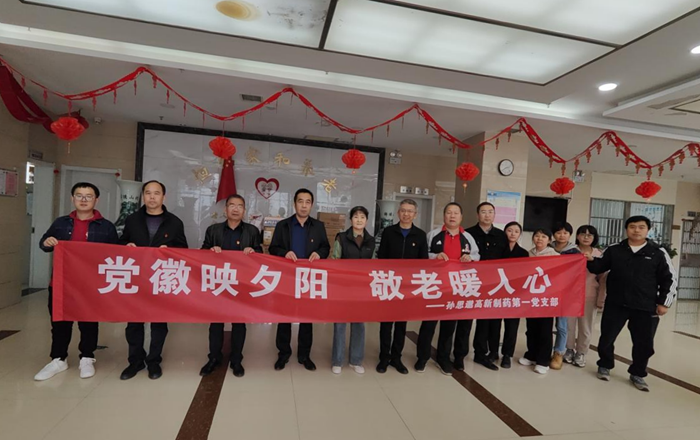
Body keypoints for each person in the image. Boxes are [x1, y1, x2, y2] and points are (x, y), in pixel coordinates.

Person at [34, 182, 118, 381]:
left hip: (91, 284)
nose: (83, 200)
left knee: (89, 322)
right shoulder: (61, 223)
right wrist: (47, 242)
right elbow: (44, 243)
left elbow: (116, 253)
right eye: (79, 195)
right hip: (61, 283)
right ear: (72, 199)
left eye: (88, 196)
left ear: (96, 200)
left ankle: (87, 357)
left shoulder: (106, 226)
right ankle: (58, 359)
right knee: (60, 322)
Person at [585, 215, 677, 391]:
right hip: (616, 303)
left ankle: (638, 373)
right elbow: (599, 267)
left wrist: (664, 303)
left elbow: (670, 279)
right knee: (607, 338)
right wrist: (590, 260)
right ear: (626, 229)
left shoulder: (658, 252)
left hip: (645, 305)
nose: (636, 230)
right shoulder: (614, 249)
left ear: (648, 230)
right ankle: (605, 365)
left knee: (644, 343)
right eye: (632, 226)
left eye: (641, 227)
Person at [119, 180, 188, 380]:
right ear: (143, 196)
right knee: (134, 323)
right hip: (136, 278)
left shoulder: (174, 222)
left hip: (161, 278)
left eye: (156, 193)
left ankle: (154, 361)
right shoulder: (132, 219)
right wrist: (127, 246)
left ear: (163, 197)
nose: (152, 197)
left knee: (159, 323)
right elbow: (121, 242)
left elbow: (184, 250)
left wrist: (171, 251)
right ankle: (135, 361)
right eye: (148, 193)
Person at [199, 194, 262, 378]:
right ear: (225, 209)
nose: (235, 209)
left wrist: (253, 252)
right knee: (216, 323)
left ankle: (236, 360)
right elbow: (202, 253)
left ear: (244, 210)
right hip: (219, 284)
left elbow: (260, 255)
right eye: (232, 205)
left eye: (240, 206)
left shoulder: (252, 231)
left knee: (239, 323)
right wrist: (211, 251)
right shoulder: (213, 230)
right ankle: (214, 358)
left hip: (241, 284)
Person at [269, 188, 330, 372]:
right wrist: (284, 253)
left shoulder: (318, 226)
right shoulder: (283, 225)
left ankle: (304, 355)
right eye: (300, 201)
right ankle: (283, 354)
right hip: (287, 278)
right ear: (294, 203)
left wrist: (319, 254)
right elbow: (273, 248)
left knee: (306, 318)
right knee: (284, 317)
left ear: (312, 205)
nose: (304, 205)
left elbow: (325, 247)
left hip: (308, 279)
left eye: (307, 202)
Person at [417, 202, 480, 375]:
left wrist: (470, 258)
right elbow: (423, 255)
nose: (452, 216)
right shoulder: (433, 235)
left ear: (461, 217)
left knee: (448, 326)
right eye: (449, 212)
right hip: (434, 286)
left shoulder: (468, 237)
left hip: (456, 287)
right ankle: (422, 358)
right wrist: (435, 256)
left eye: (456, 213)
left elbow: (477, 256)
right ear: (444, 215)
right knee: (428, 324)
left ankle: (443, 358)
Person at [376, 199, 429, 374]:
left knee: (401, 325)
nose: (406, 214)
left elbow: (423, 263)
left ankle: (396, 358)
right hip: (389, 284)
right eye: (403, 210)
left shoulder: (420, 235)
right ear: (398, 213)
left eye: (410, 211)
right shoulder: (388, 232)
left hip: (407, 288)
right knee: (386, 324)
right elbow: (381, 257)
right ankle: (384, 357)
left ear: (415, 214)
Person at [330, 206, 375, 375]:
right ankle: (337, 360)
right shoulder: (341, 238)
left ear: (367, 221)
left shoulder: (371, 241)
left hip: (362, 289)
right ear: (351, 220)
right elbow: (334, 260)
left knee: (359, 325)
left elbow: (374, 264)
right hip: (343, 288)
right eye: (356, 217)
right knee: (340, 324)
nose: (359, 220)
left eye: (362, 217)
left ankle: (356, 360)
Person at [466, 202, 509, 371]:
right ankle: (463, 352)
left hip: (494, 284)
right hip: (473, 282)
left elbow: (507, 260)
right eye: (483, 212)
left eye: (490, 212)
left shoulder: (500, 235)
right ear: (478, 215)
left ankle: (487, 353)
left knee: (489, 320)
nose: (487, 215)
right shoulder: (468, 233)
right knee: (468, 319)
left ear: (494, 215)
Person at [564, 225, 606, 368]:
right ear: (577, 236)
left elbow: (603, 279)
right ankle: (569, 349)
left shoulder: (599, 255)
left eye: (590, 235)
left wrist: (601, 299)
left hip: (590, 295)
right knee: (568, 325)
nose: (586, 237)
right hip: (569, 296)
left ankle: (581, 352)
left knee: (585, 326)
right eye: (583, 234)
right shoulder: (570, 251)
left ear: (594, 238)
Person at [519, 227, 559, 375]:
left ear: (549, 240)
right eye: (537, 236)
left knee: (545, 329)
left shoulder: (555, 255)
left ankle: (543, 360)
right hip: (531, 297)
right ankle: (532, 354)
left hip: (547, 298)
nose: (539, 239)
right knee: (531, 328)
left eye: (543, 236)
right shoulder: (529, 254)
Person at [494, 221, 529, 369]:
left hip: (515, 294)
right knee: (494, 324)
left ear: (520, 234)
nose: (513, 233)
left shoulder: (523, 253)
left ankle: (507, 354)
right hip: (496, 292)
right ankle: (493, 351)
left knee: (512, 326)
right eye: (509, 230)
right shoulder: (497, 250)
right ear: (504, 232)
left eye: (516, 231)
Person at [550, 221, 580, 370]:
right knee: (545, 324)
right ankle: (544, 350)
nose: (562, 235)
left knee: (562, 325)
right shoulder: (547, 248)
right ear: (554, 234)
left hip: (565, 293)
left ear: (570, 235)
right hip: (547, 292)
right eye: (558, 232)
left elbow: (577, 275)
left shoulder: (575, 252)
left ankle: (559, 353)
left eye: (565, 233)